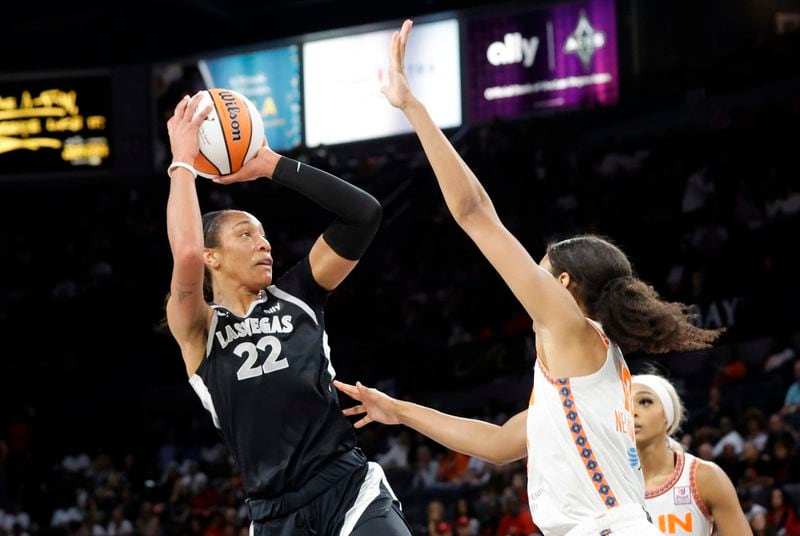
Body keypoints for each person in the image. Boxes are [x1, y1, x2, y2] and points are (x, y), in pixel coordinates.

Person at [334, 19, 721, 536]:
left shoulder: (568, 327)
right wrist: (398, 411)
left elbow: (473, 211)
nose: (527, 279)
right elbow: (498, 444)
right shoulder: (574, 373)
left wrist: (412, 107)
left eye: (539, 268)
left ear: (562, 285)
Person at [164, 94, 410, 535]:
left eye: (264, 236)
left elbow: (363, 214)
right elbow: (184, 251)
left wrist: (270, 164)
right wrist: (182, 161)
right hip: (275, 517)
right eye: (246, 235)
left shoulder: (298, 293)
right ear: (212, 258)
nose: (265, 244)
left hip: (347, 490)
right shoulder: (198, 328)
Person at [632, 373, 751, 535]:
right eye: (625, 403)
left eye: (645, 402)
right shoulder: (606, 483)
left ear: (668, 413)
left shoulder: (705, 476)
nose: (632, 411)